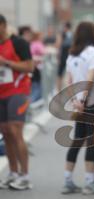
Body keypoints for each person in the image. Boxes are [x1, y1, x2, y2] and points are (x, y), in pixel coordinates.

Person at [62, 21, 94, 195]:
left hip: (78, 103)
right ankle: (90, 181)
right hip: (91, 102)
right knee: (92, 141)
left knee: (77, 139)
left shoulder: (72, 54)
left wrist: (75, 100)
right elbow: (89, 79)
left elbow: (70, 80)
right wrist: (83, 100)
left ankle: (68, 179)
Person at [0, 14, 34, 190]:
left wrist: (6, 63)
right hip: (1, 94)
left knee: (15, 130)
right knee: (5, 133)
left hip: (18, 91)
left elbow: (30, 67)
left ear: (3, 25)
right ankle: (13, 172)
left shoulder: (18, 43)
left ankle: (25, 175)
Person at [56, 22, 73, 92]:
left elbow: (59, 45)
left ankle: (59, 90)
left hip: (65, 55)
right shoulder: (72, 35)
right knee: (68, 74)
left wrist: (58, 56)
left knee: (60, 74)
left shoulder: (63, 35)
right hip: (69, 55)